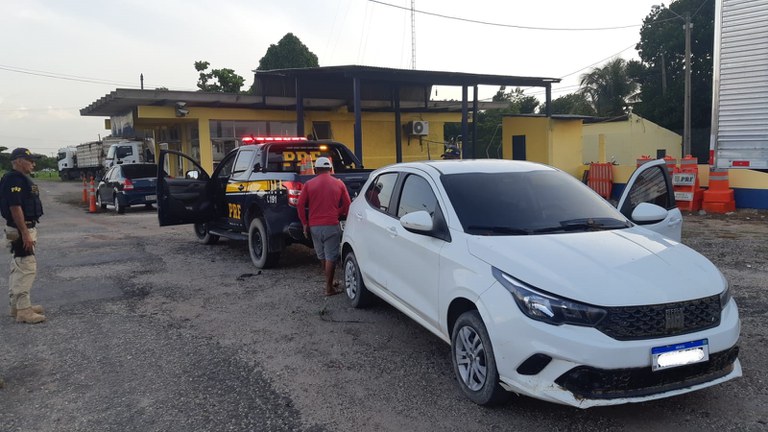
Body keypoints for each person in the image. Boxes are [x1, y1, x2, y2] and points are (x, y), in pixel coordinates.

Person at [1, 148, 45, 324]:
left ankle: (16, 306)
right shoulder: (14, 179)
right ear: (18, 161)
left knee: (18, 266)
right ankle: (23, 310)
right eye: (30, 160)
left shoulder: (17, 178)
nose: (33, 164)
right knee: (26, 267)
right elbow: (15, 207)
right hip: (21, 230)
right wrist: (25, 233)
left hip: (19, 229)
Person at [296, 157, 351, 296]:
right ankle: (329, 288)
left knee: (322, 256)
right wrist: (337, 212)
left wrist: (304, 223)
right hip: (331, 225)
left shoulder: (309, 184)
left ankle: (329, 283)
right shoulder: (339, 184)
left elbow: (300, 205)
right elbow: (347, 205)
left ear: (316, 169)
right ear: (330, 168)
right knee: (331, 257)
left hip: (314, 227)